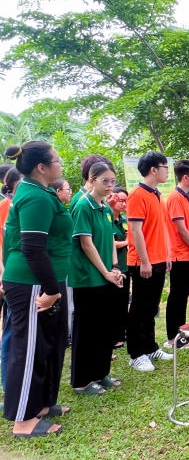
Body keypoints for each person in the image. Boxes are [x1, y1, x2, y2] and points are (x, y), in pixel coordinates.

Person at [2, 142, 70, 437]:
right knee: (27, 348)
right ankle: (23, 420)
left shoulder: (39, 192)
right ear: (42, 167)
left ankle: (40, 403)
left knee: (44, 344)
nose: (61, 164)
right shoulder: (35, 197)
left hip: (40, 279)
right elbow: (31, 247)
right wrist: (51, 288)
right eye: (56, 160)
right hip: (31, 281)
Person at [69, 161, 125, 395]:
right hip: (88, 278)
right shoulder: (83, 206)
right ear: (91, 180)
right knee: (87, 331)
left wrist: (114, 267)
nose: (110, 185)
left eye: (112, 181)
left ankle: (101, 374)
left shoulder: (105, 208)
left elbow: (111, 240)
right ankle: (82, 381)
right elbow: (86, 243)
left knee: (104, 329)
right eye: (105, 181)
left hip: (106, 277)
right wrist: (104, 272)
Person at [125, 151, 173, 372]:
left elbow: (160, 229)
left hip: (159, 259)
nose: (167, 171)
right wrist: (145, 262)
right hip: (143, 262)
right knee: (139, 308)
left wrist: (167, 255)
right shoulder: (137, 195)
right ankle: (136, 353)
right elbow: (135, 231)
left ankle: (150, 346)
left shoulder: (157, 195)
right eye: (164, 167)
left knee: (152, 306)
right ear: (153, 169)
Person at [164, 159, 189, 350]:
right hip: (179, 255)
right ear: (185, 177)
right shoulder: (175, 197)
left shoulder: (186, 197)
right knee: (177, 296)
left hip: (188, 253)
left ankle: (182, 332)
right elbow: (180, 228)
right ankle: (173, 337)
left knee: (183, 296)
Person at [0, 167, 22, 392]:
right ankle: (9, 385)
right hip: (11, 278)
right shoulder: (6, 208)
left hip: (20, 278)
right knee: (11, 332)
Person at [109, 186, 130, 349]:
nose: (123, 204)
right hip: (111, 268)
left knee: (123, 301)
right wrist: (127, 242)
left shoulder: (124, 221)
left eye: (125, 201)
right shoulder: (107, 219)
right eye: (120, 200)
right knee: (113, 303)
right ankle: (114, 336)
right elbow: (110, 243)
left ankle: (122, 333)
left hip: (125, 266)